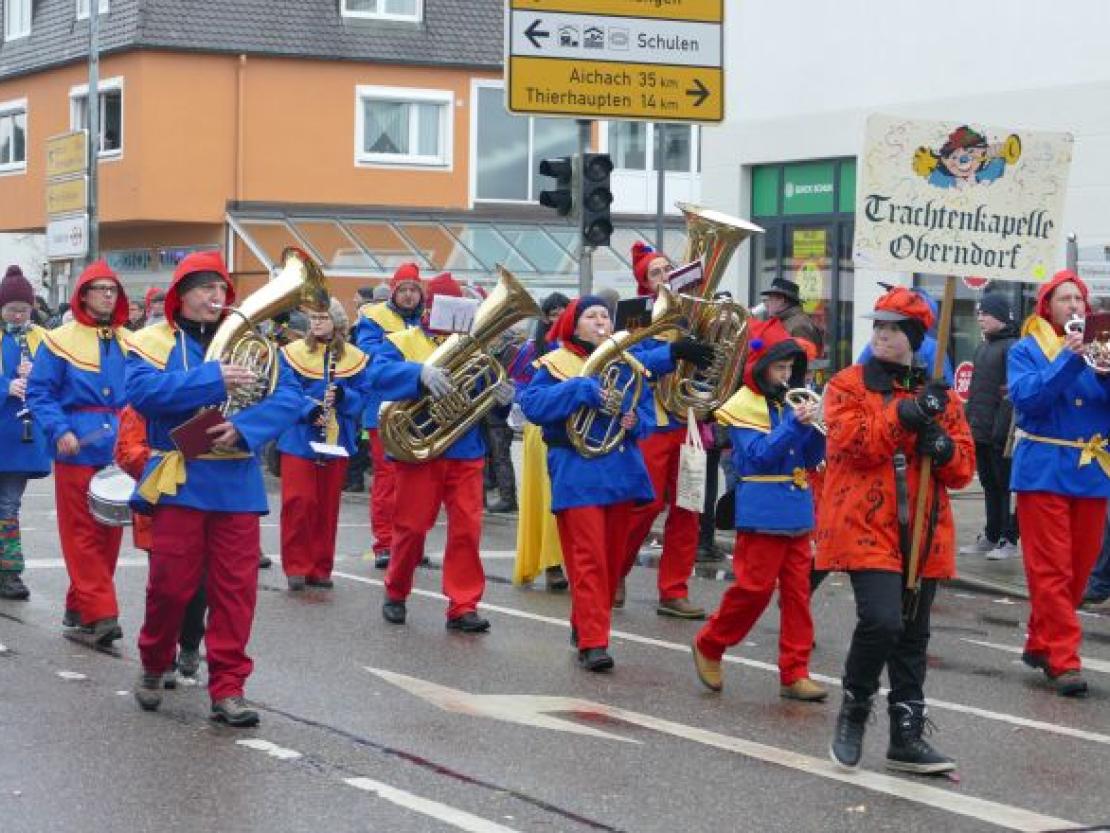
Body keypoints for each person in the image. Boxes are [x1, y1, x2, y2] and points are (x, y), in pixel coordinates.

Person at [126, 251, 302, 726]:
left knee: (236, 592)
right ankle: (153, 661)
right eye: (205, 289)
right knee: (170, 587)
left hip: (237, 483)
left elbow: (290, 396)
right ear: (181, 295)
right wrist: (212, 379)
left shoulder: (256, 342)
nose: (216, 297)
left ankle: (228, 688)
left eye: (221, 289)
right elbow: (143, 394)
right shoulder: (151, 340)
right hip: (181, 479)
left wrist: (245, 426)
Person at [819, 286, 973, 773]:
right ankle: (855, 709)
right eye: (878, 326)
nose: (883, 335)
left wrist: (942, 446)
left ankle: (906, 736)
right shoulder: (847, 383)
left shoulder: (939, 394)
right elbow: (855, 442)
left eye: (892, 328)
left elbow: (963, 469)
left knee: (913, 635)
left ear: (914, 336)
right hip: (865, 524)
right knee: (883, 620)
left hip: (923, 529)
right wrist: (908, 413)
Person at [692, 319, 827, 701]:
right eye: (779, 367)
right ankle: (710, 644)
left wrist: (815, 427)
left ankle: (795, 671)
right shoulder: (740, 406)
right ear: (761, 366)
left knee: (799, 596)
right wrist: (794, 425)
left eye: (790, 369)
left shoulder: (793, 403)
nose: (786, 376)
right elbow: (758, 458)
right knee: (753, 591)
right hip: (762, 509)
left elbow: (812, 455)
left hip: (798, 509)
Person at [520, 296, 657, 670]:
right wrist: (578, 388)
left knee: (611, 564)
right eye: (590, 316)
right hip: (577, 471)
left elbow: (647, 415)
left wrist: (635, 421)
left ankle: (585, 624)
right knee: (588, 560)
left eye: (604, 316)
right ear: (573, 325)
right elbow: (531, 404)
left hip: (621, 473)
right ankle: (595, 643)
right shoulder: (555, 363)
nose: (600, 321)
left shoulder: (627, 364)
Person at [369, 272, 503, 632]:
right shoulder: (403, 339)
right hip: (420, 451)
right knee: (411, 528)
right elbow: (376, 373)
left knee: (467, 530)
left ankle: (463, 605)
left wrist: (500, 393)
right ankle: (396, 590)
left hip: (464, 449)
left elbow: (483, 387)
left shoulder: (473, 345)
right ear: (430, 308)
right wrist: (418, 374)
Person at [1008, 269, 1110, 697]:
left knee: (1080, 569)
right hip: (1043, 469)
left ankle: (1040, 641)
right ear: (1047, 307)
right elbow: (1028, 400)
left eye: (1078, 300)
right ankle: (1065, 660)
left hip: (1092, 469)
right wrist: (1070, 359)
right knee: (1051, 569)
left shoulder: (1101, 351)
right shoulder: (1026, 349)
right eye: (1064, 299)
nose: (1073, 306)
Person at [26, 262, 131, 647]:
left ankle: (79, 605)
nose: (108, 295)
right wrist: (60, 429)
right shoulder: (59, 339)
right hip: (76, 446)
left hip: (119, 448)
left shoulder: (127, 340)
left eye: (113, 289)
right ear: (83, 294)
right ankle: (101, 612)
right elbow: (40, 392)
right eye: (100, 288)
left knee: (109, 532)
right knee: (82, 532)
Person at [619, 241, 716, 619]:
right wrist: (673, 353)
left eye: (666, 269)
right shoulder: (634, 313)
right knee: (644, 506)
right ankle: (616, 574)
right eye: (655, 272)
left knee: (688, 508)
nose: (663, 276)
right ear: (644, 280)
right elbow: (628, 359)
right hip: (652, 421)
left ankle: (674, 590)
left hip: (687, 421)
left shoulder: (693, 312)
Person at [277, 298, 369, 591]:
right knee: (298, 502)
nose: (316, 322)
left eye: (323, 317)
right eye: (313, 318)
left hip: (335, 438)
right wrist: (310, 409)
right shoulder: (292, 353)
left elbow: (363, 398)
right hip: (300, 437)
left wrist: (343, 398)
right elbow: (284, 391)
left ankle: (320, 566)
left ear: (337, 322)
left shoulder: (355, 357)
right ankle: (296, 566)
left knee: (327, 506)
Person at [115, 404, 207, 685]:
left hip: (205, 499)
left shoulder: (207, 398)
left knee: (200, 585)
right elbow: (128, 453)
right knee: (166, 587)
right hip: (163, 503)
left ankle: (190, 644)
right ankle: (161, 658)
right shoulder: (145, 400)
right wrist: (171, 460)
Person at [354, 263, 425, 570]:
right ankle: (384, 542)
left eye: (414, 290)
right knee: (387, 479)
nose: (409, 296)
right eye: (404, 290)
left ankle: (410, 543)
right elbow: (367, 355)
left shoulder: (428, 318)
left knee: (416, 483)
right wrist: (406, 343)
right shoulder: (373, 317)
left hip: (419, 408)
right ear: (394, 292)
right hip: (382, 408)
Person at [511, 292, 570, 590]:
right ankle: (551, 563)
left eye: (564, 310)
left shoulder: (584, 348)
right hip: (543, 429)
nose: (558, 316)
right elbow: (518, 388)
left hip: (580, 431)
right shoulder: (533, 349)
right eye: (552, 311)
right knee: (547, 500)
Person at [0, 266, 51, 601]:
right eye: (12, 309)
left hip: (20, 437)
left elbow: (58, 383)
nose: (19, 314)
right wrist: (6, 385)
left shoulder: (43, 339)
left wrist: (38, 375)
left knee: (9, 505)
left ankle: (9, 572)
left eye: (24, 308)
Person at [960, 293, 1020, 559]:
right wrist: (968, 422)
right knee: (987, 483)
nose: (980, 318)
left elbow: (1011, 395)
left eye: (986, 313)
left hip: (1001, 436)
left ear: (1001, 315)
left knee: (1004, 484)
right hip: (981, 431)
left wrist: (1001, 430)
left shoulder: (1013, 348)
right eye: (979, 313)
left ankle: (1009, 537)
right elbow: (976, 391)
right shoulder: (982, 348)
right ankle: (992, 533)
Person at [857, 285, 955, 384]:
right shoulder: (933, 347)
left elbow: (944, 388)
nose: (883, 335)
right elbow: (946, 385)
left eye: (894, 329)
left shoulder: (932, 348)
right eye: (880, 326)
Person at [760, 277, 824, 355]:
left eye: (770, 299)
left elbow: (805, 360)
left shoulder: (799, 326)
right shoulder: (786, 320)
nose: (766, 304)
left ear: (781, 300)